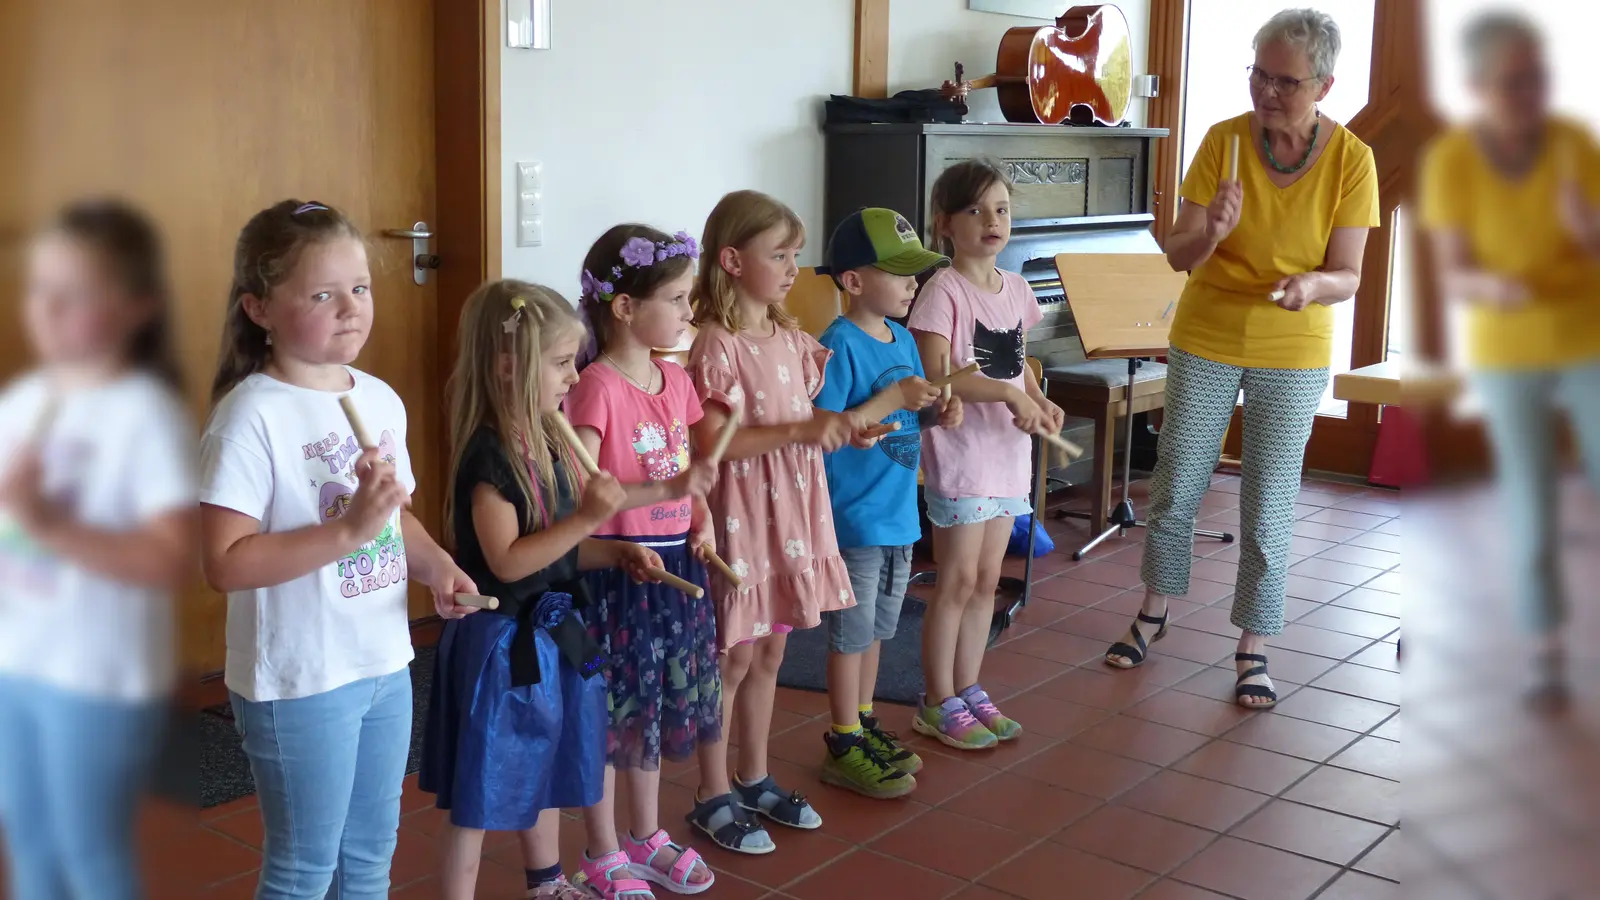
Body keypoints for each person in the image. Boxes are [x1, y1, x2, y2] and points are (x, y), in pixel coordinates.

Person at [199, 200, 477, 900]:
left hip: (382, 659)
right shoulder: (251, 415)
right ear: (259, 309)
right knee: (303, 866)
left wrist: (437, 566)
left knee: (371, 852)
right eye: (322, 294)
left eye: (360, 288)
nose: (350, 308)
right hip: (299, 675)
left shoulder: (379, 401)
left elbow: (393, 520)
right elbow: (225, 561)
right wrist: (346, 531)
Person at [1101, 8, 1379, 709]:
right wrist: (1213, 233)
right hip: (1209, 332)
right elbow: (1178, 253)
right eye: (1259, 74)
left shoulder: (1352, 159)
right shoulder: (1224, 141)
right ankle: (1154, 608)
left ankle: (1254, 644)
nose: (1268, 91)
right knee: (1178, 481)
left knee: (1269, 501)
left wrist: (1311, 285)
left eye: (1286, 80)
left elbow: (1347, 273)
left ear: (1324, 84)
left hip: (1295, 341)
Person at [419, 280, 677, 900]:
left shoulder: (551, 440)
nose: (573, 375)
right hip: (503, 641)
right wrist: (589, 520)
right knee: (484, 793)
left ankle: (547, 881)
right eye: (561, 363)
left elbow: (555, 548)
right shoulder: (490, 457)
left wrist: (614, 551)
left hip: (557, 630)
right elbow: (508, 562)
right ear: (510, 367)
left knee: (549, 760)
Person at [0, 201, 196, 900]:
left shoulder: (142, 416)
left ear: (137, 307)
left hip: (95, 677)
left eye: (75, 294)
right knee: (29, 845)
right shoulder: (22, 402)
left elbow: (169, 558)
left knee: (89, 853)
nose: (48, 310)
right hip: (17, 663)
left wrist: (49, 525)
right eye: (39, 290)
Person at [1420, 11, 1600, 707]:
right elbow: (1455, 273)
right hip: (1506, 342)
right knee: (1532, 494)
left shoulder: (1575, 144)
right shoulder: (1452, 161)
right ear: (1477, 85)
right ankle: (1546, 648)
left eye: (1539, 77)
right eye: (1515, 80)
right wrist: (1492, 286)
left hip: (1586, 330)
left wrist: (1587, 233)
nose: (1532, 92)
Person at [683, 190, 865, 854]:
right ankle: (710, 793)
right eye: (778, 254)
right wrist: (800, 428)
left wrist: (838, 431)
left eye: (796, 253)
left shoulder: (791, 339)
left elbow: (804, 425)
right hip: (742, 516)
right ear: (731, 260)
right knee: (731, 657)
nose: (793, 267)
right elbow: (714, 442)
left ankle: (753, 774)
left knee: (772, 649)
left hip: (791, 511)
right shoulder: (716, 343)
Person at [564, 224, 720, 895]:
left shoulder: (675, 379)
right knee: (610, 715)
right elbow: (584, 496)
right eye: (680, 298)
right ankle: (601, 852)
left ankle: (644, 834)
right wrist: (664, 497)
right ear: (624, 306)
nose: (691, 311)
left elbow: (685, 471)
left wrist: (703, 521)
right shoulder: (595, 386)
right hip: (618, 574)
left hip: (674, 567)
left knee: (651, 709)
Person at [907, 161, 1064, 750]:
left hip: (1007, 454)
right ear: (945, 224)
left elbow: (1016, 361)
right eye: (975, 210)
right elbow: (939, 374)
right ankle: (934, 699)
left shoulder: (1016, 289)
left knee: (988, 582)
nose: (992, 221)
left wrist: (1039, 400)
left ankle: (968, 686)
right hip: (963, 455)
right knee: (956, 579)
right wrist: (1003, 392)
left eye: (1001, 208)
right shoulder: (941, 290)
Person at [813, 208, 956, 796]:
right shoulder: (838, 343)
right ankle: (843, 739)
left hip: (898, 513)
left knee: (876, 632)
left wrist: (935, 408)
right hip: (856, 516)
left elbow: (906, 411)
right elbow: (827, 428)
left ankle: (865, 720)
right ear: (852, 281)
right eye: (898, 272)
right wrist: (892, 397)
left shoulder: (901, 337)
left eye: (915, 271)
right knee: (851, 635)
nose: (911, 283)